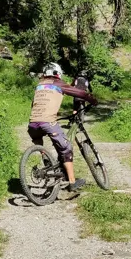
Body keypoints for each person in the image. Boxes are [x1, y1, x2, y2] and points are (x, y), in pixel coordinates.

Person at [28, 62, 98, 191]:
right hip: (47, 122)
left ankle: (46, 160)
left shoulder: (39, 85)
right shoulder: (58, 83)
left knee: (38, 139)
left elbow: (36, 104)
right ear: (57, 73)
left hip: (32, 124)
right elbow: (79, 93)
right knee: (66, 148)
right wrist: (92, 100)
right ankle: (72, 182)